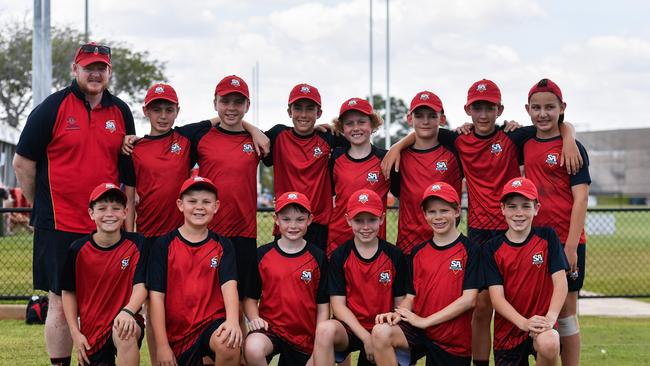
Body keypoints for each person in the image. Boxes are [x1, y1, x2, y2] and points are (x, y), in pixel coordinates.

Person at [381, 79, 581, 365]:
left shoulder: (512, 137)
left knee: (528, 298)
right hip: (478, 233)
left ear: (499, 109)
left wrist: (570, 135)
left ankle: (535, 344)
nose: (483, 114)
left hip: (511, 228)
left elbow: (550, 125)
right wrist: (397, 145)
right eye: (477, 108)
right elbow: (426, 131)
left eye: (489, 108)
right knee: (481, 304)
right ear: (468, 110)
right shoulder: (460, 139)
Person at [13, 42, 135, 366]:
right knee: (58, 301)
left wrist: (126, 220)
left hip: (106, 225)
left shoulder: (121, 111)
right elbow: (22, 163)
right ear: (75, 69)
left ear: (109, 71)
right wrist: (42, 206)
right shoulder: (51, 108)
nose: (95, 73)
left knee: (109, 303)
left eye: (101, 68)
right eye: (88, 67)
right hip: (59, 224)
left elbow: (128, 165)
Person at [373, 182, 482, 366]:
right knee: (381, 331)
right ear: (424, 214)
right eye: (432, 212)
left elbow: (469, 299)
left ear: (456, 212)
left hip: (451, 340)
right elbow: (411, 295)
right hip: (419, 331)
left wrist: (426, 321)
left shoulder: (471, 250)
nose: (438, 217)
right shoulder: (418, 252)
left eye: (444, 210)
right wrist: (399, 313)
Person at [523, 79, 591, 366]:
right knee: (537, 307)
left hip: (567, 241)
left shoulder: (574, 149)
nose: (543, 114)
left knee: (566, 312)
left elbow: (581, 199)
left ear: (562, 108)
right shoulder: (522, 142)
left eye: (550, 107)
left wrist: (572, 247)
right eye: (536, 107)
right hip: (535, 241)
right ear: (527, 110)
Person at [147, 176, 241, 365]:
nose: (199, 207)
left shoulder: (223, 245)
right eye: (192, 201)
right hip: (178, 333)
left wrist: (232, 321)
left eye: (206, 202)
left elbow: (229, 286)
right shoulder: (164, 245)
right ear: (180, 205)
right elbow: (156, 297)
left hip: (210, 326)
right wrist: (162, 346)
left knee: (228, 342)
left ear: (216, 206)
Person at [313, 189, 407, 366]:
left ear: (382, 218)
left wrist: (380, 334)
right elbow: (338, 306)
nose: (365, 227)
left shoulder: (395, 255)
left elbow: (399, 304)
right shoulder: (340, 256)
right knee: (325, 329)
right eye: (358, 220)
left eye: (371, 220)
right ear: (348, 220)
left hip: (383, 327)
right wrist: (365, 337)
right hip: (351, 328)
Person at [484, 177, 569, 366]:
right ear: (502, 209)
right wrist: (524, 323)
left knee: (550, 342)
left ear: (536, 208)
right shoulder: (492, 249)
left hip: (542, 324)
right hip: (508, 331)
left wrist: (550, 319)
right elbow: (497, 299)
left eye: (525, 206)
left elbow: (561, 282)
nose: (519, 213)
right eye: (512, 207)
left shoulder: (548, 238)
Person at [60, 183, 147, 365]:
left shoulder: (138, 244)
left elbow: (142, 286)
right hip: (93, 331)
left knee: (124, 331)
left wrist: (127, 311)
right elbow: (68, 292)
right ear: (92, 214)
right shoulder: (77, 249)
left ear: (125, 212)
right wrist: (76, 333)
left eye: (116, 208)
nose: (109, 214)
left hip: (127, 318)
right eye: (102, 208)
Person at [193, 75, 260, 302]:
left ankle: (240, 340)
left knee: (240, 302)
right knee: (207, 299)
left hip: (244, 233)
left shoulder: (259, 141)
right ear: (215, 103)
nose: (231, 108)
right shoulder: (200, 137)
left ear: (247, 106)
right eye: (225, 102)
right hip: (208, 232)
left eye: (238, 103)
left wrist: (254, 130)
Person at [243, 191, 329, 365]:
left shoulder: (318, 257)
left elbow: (322, 306)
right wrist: (254, 318)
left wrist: (319, 342)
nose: (293, 225)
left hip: (304, 336)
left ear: (310, 220)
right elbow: (250, 299)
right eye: (286, 219)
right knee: (253, 347)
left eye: (300, 219)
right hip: (271, 329)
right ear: (276, 219)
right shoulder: (262, 255)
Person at [262, 83, 348, 251]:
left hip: (319, 225)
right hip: (287, 223)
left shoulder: (328, 137)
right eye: (298, 108)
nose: (303, 114)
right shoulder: (278, 135)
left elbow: (361, 147)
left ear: (319, 113)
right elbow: (251, 138)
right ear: (289, 112)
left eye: (309, 109)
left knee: (318, 274)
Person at [389, 91, 462, 254]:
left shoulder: (455, 152)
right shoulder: (398, 157)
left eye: (432, 115)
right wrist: (397, 146)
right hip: (409, 247)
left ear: (442, 119)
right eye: (419, 116)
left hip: (446, 245)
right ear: (410, 119)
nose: (426, 121)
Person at [327, 97, 390, 256]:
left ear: (372, 124)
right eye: (349, 123)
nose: (356, 128)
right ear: (342, 127)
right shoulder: (334, 157)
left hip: (373, 239)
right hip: (338, 238)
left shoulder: (386, 159)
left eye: (361, 122)